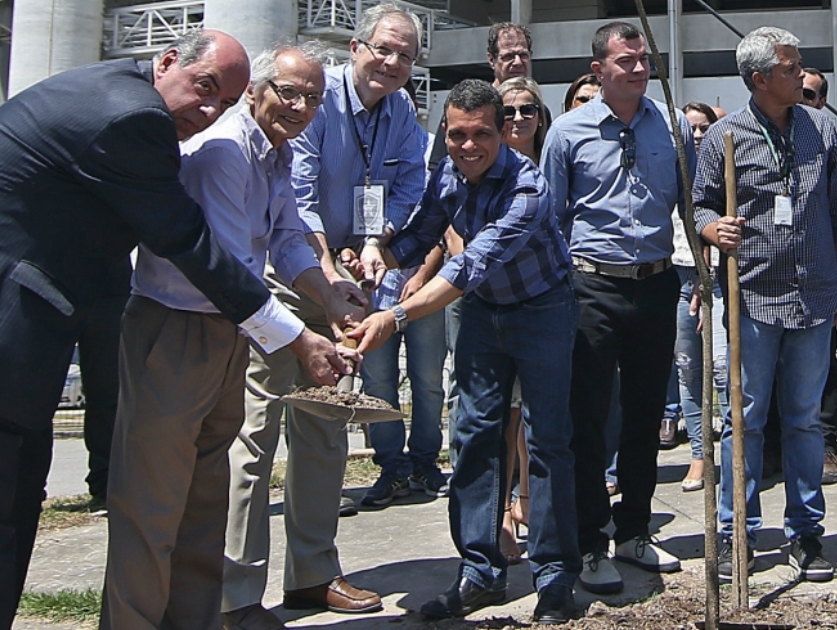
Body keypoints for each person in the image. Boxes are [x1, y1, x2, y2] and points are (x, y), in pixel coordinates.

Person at [0, 28, 331, 629]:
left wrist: (332, 299)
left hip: (212, 330)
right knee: (147, 511)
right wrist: (297, 337)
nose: (207, 110)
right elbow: (199, 247)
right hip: (154, 327)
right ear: (168, 60)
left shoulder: (268, 151)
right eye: (205, 88)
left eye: (221, 101)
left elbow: (283, 236)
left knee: (201, 507)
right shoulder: (168, 129)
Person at [222, 3, 427, 621]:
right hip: (288, 281)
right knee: (253, 435)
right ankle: (234, 593)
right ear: (357, 45)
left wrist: (378, 240)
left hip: (348, 283)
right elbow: (298, 200)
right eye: (384, 49)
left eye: (407, 55)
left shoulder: (403, 112)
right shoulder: (312, 99)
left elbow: (412, 184)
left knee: (325, 430)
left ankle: (312, 572)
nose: (392, 64)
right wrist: (329, 278)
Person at [352, 78, 581, 626]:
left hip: (542, 309)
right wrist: (379, 255)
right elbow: (424, 232)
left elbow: (469, 264)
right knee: (473, 433)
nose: (468, 146)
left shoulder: (529, 187)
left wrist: (398, 314)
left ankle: (553, 577)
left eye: (481, 133)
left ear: (503, 132)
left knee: (546, 438)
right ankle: (480, 571)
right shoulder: (448, 174)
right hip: (482, 314)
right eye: (457, 134)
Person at [540, 21, 696, 595]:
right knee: (588, 416)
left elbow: (691, 205)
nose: (637, 69)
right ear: (598, 70)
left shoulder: (675, 126)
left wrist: (704, 269)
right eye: (624, 61)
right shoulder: (567, 132)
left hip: (656, 286)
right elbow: (551, 217)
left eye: (642, 60)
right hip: (591, 288)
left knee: (646, 414)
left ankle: (634, 529)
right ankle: (589, 541)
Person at [693, 26, 837, 584]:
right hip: (752, 295)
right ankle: (737, 533)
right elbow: (699, 204)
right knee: (744, 420)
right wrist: (712, 228)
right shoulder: (724, 137)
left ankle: (806, 532)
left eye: (799, 65)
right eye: (789, 68)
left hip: (816, 296)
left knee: (804, 421)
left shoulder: (823, 128)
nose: (800, 74)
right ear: (759, 79)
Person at [359, 80, 448, 509]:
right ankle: (390, 466)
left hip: (424, 287)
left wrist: (425, 273)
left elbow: (442, 220)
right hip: (373, 290)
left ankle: (426, 461)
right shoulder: (361, 150)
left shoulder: (433, 149)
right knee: (377, 383)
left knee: (429, 381)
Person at [495, 76, 551, 564]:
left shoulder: (552, 164)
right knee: (497, 418)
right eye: (508, 110)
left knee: (537, 418)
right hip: (485, 300)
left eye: (527, 110)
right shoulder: (478, 161)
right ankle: (498, 518)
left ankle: (530, 505)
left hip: (542, 304)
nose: (517, 119)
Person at [674, 101, 728, 492]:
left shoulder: (722, 174)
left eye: (703, 126)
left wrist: (705, 282)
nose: (696, 134)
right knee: (689, 371)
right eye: (690, 128)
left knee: (723, 371)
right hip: (676, 277)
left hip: (715, 281)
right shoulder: (672, 169)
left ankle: (730, 454)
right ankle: (699, 455)